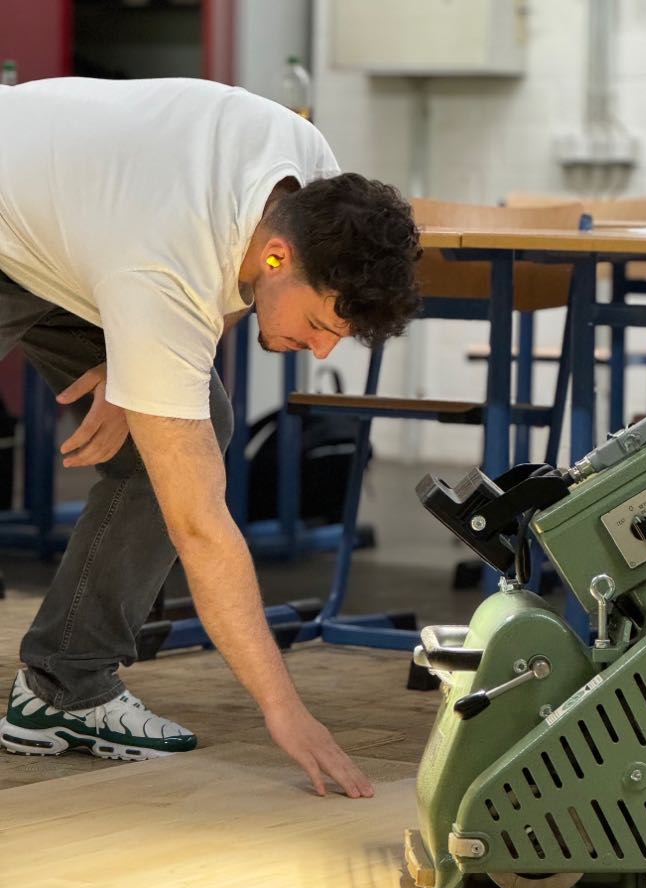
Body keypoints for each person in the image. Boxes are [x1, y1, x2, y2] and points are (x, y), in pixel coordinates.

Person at [0, 76, 421, 798]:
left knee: (200, 422)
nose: (320, 353)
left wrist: (131, 371)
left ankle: (62, 687)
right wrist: (285, 713)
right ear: (282, 256)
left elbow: (230, 276)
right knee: (188, 474)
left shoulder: (309, 181)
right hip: (39, 215)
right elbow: (200, 530)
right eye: (321, 326)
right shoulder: (164, 263)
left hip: (85, 223)